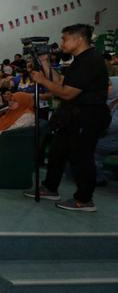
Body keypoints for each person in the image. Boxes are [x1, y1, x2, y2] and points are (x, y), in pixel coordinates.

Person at [27, 24, 111, 212]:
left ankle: (84, 200)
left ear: (78, 39)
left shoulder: (91, 60)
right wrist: (45, 64)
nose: (62, 43)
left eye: (65, 39)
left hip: (88, 116)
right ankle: (50, 188)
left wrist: (42, 80)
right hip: (72, 115)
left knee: (81, 157)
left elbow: (67, 93)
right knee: (57, 151)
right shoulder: (79, 60)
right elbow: (60, 82)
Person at [93, 77, 118, 185]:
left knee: (89, 147)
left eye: (110, 85)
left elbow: (112, 126)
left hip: (112, 139)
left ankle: (97, 177)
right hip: (105, 137)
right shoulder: (105, 99)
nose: (105, 88)